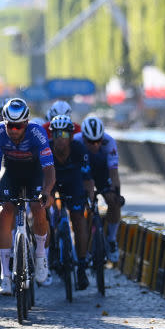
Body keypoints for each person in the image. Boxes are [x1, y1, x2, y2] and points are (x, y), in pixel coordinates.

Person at [0, 98, 56, 294]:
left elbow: (49, 168)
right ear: (4, 122)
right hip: (11, 171)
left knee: (38, 207)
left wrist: (47, 192)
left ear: (26, 123)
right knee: (4, 211)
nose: (14, 131)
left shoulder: (37, 132)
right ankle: (5, 275)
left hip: (34, 171)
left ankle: (41, 256)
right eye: (10, 126)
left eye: (19, 126)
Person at [49, 114, 95, 290]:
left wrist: (89, 199)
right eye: (57, 135)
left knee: (78, 220)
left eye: (65, 135)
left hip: (73, 182)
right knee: (45, 213)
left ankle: (82, 266)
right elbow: (41, 179)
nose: (60, 139)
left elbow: (88, 179)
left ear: (71, 136)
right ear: (52, 136)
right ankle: (51, 251)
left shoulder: (79, 149)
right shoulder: (46, 149)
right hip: (52, 182)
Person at [75, 115, 122, 263]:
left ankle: (111, 239)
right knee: (84, 206)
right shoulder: (76, 141)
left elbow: (113, 173)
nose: (95, 145)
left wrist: (116, 193)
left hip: (102, 172)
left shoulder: (109, 142)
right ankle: (85, 245)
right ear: (84, 137)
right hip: (82, 173)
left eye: (98, 141)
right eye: (90, 141)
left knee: (113, 201)